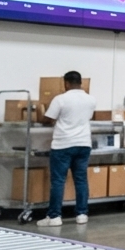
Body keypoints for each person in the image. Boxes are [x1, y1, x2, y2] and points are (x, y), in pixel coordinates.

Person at [38, 71, 97, 227]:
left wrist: (40, 114)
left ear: (66, 83)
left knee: (58, 181)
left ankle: (54, 217)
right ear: (81, 82)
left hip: (63, 145)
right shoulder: (91, 100)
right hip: (84, 144)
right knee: (81, 180)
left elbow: (48, 119)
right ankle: (82, 214)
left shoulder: (60, 99)